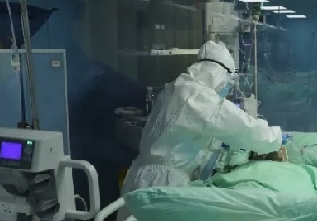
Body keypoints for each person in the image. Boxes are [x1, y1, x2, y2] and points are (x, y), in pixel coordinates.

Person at [121, 40, 285, 198]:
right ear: (218, 74)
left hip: (142, 179)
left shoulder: (176, 87)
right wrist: (276, 138)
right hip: (163, 185)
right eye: (227, 82)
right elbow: (242, 127)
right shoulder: (196, 96)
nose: (226, 88)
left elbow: (195, 139)